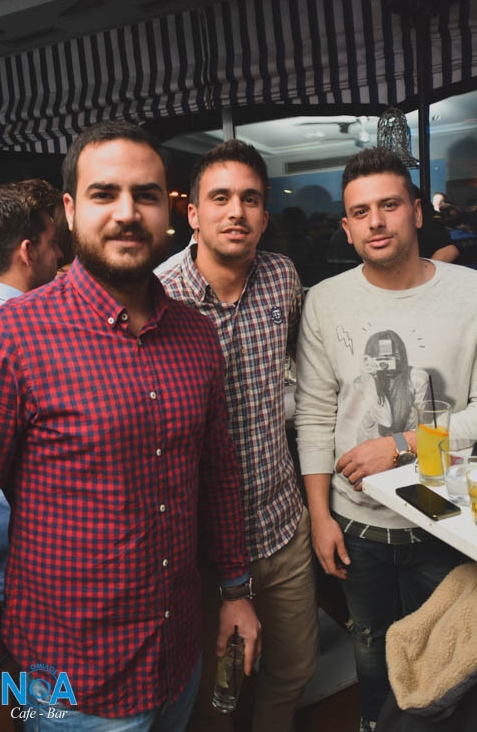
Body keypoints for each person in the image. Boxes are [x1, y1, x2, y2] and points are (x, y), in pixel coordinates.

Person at [0, 120, 260, 731]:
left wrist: (236, 591)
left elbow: (218, 474)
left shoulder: (196, 335)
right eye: (104, 194)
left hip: (177, 658)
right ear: (71, 211)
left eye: (146, 195)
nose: (128, 213)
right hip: (62, 684)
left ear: (168, 211)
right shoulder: (7, 339)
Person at [295, 147, 477, 732]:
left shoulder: (471, 293)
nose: (376, 221)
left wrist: (400, 444)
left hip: (443, 516)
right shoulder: (325, 301)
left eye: (390, 205)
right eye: (361, 211)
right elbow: (315, 415)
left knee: (442, 658)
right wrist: (320, 517)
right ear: (347, 227)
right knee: (370, 645)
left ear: (417, 213)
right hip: (357, 524)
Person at [160, 139, 318, 732]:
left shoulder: (282, 277)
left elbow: (299, 366)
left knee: (294, 668)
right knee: (210, 695)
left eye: (250, 199)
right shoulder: (160, 295)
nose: (236, 212)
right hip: (199, 549)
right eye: (220, 198)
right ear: (193, 214)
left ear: (265, 215)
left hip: (281, 526)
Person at [0, 183, 63, 608]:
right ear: (28, 252)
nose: (60, 255)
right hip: (9, 580)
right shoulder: (30, 342)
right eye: (53, 244)